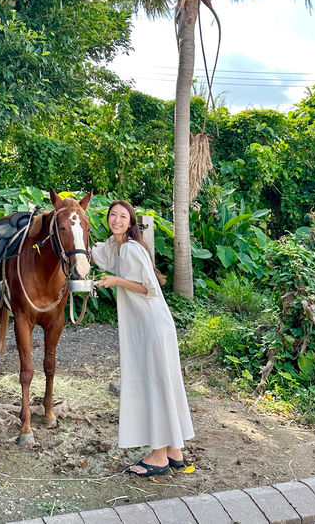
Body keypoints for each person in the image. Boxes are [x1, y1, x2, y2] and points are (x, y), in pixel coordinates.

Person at [92, 200, 194, 476]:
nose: (116, 219)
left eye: (122, 216)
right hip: (152, 326)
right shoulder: (117, 247)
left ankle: (158, 455)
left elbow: (148, 287)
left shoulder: (132, 248)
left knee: (154, 382)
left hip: (151, 327)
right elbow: (95, 253)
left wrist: (115, 281)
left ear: (130, 222)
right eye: (112, 214)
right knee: (164, 382)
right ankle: (174, 450)